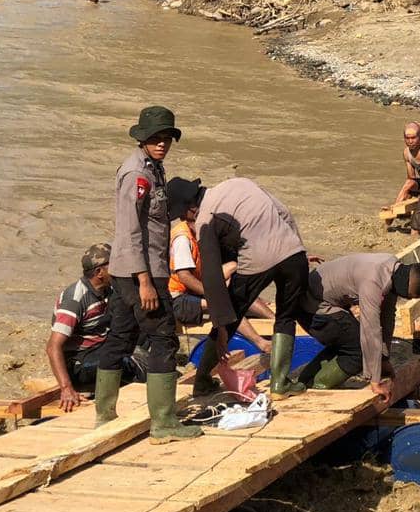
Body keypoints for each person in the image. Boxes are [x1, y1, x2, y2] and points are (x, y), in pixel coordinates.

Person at [93, 106, 202, 442]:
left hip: (131, 269)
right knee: (164, 338)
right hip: (142, 271)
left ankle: (104, 416)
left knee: (121, 335)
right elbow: (130, 230)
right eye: (155, 138)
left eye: (166, 138)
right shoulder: (136, 174)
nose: (162, 144)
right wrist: (144, 281)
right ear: (142, 139)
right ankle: (164, 422)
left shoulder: (154, 169)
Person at [169, 176, 311, 399]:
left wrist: (221, 324)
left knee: (232, 314)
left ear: (191, 208)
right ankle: (280, 384)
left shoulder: (205, 219)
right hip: (294, 254)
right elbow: (284, 213)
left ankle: (203, 381)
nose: (182, 219)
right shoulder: (238, 183)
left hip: (258, 259)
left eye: (181, 214)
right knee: (286, 317)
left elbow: (212, 276)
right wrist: (298, 249)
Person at [299, 254, 420, 391]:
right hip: (311, 307)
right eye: (415, 296)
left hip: (324, 300)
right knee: (360, 352)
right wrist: (375, 379)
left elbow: (387, 318)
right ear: (411, 289)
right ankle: (315, 387)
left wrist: (384, 359)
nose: (412, 299)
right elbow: (370, 331)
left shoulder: (392, 270)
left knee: (350, 341)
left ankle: (305, 380)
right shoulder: (373, 283)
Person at [166, 193, 273, 353]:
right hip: (178, 300)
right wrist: (214, 295)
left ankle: (274, 320)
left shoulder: (201, 234)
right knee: (223, 305)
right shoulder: (183, 239)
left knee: (237, 284)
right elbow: (185, 277)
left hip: (194, 291)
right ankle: (261, 343)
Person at [47, 244, 148, 412]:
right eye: (114, 265)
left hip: (101, 348)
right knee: (128, 359)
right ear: (99, 272)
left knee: (144, 332)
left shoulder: (109, 290)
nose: (119, 268)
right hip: (79, 362)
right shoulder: (75, 300)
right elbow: (52, 347)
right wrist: (66, 388)